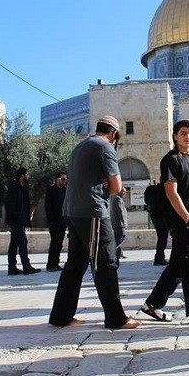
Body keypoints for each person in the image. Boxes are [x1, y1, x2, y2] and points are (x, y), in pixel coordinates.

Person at [49, 115, 140, 329]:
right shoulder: (105, 147)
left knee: (75, 265)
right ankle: (116, 318)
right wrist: (109, 186)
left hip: (72, 212)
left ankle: (61, 316)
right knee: (106, 262)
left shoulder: (80, 146)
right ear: (114, 134)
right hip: (92, 212)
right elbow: (117, 188)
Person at [141, 120, 189, 325]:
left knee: (178, 266)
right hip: (183, 220)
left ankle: (152, 304)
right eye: (183, 133)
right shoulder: (171, 160)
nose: (188, 137)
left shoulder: (187, 160)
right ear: (175, 136)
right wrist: (188, 219)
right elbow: (171, 193)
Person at [5, 168, 40, 275]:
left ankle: (12, 267)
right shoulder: (14, 188)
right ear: (22, 176)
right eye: (27, 175)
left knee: (14, 244)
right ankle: (26, 266)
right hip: (16, 221)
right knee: (23, 242)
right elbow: (11, 206)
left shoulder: (21, 188)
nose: (28, 177)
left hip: (19, 220)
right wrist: (16, 218)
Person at [44, 171, 68, 271]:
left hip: (63, 221)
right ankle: (50, 264)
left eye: (65, 179)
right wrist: (51, 220)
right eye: (62, 179)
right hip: (54, 221)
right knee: (54, 242)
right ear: (57, 179)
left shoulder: (66, 190)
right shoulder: (51, 191)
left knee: (59, 243)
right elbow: (48, 207)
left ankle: (56, 263)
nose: (64, 181)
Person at [109, 188, 128, 266]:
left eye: (125, 192)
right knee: (121, 236)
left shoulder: (113, 198)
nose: (124, 193)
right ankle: (112, 252)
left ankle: (119, 253)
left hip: (114, 222)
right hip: (119, 223)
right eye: (123, 191)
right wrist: (124, 222)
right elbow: (120, 211)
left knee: (117, 237)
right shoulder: (118, 199)